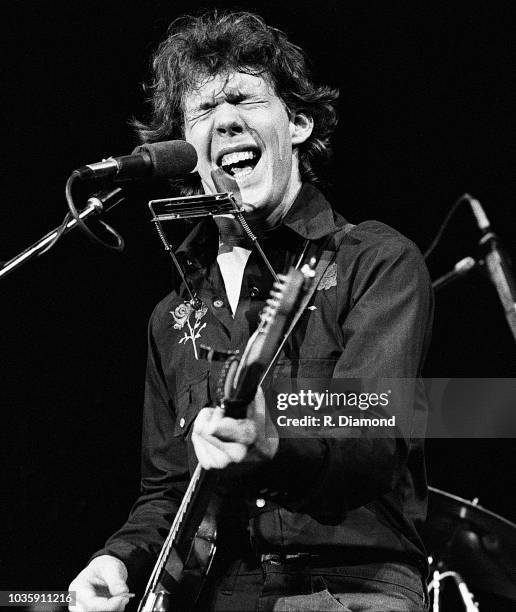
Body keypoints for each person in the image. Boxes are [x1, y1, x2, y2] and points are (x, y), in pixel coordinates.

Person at [69, 10, 433, 612]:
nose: (227, 121)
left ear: (297, 123)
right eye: (204, 113)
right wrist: (118, 558)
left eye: (243, 98)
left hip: (347, 585)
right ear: (183, 153)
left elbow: (375, 431)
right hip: (217, 592)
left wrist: (275, 443)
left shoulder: (375, 260)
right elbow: (165, 489)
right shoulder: (173, 315)